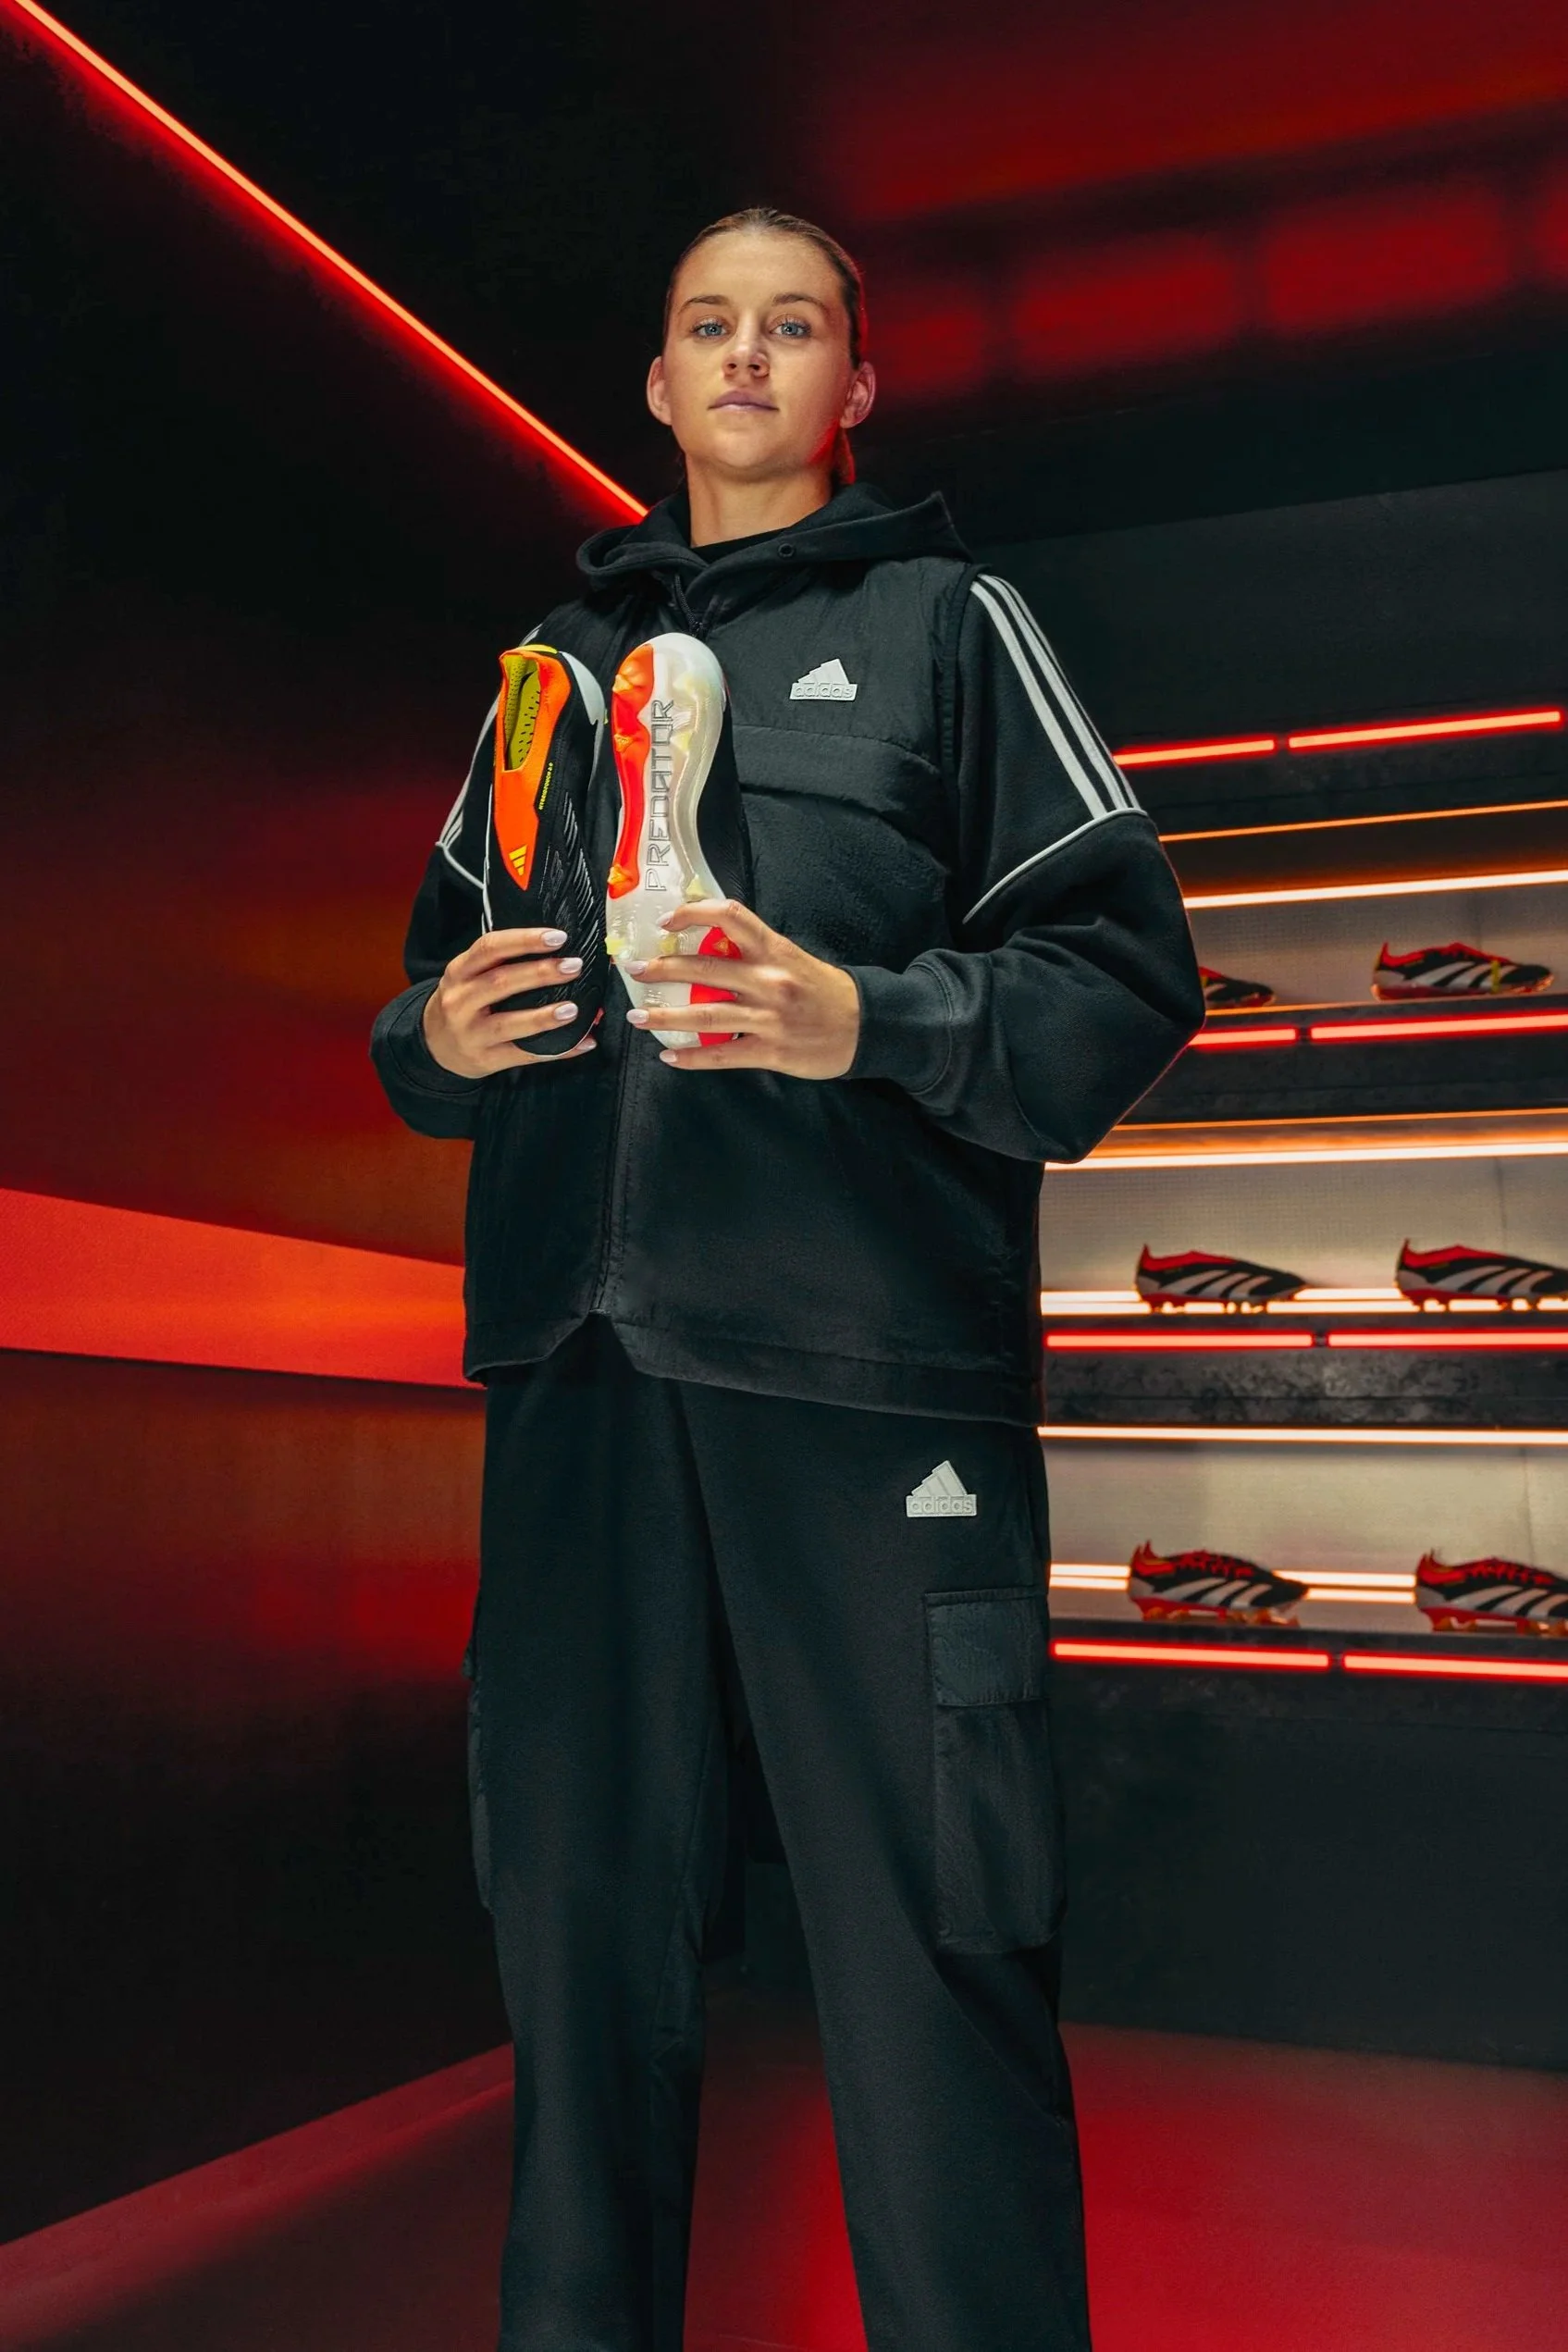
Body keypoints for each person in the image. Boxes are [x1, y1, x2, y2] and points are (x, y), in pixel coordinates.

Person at [372, 204, 1204, 2352]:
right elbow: (425, 996)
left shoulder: (952, 624)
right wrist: (429, 1041)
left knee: (933, 1961)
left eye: (794, 323)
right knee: (576, 1960)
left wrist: (876, 1022)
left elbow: (1119, 969)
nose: (747, 354)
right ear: (654, 386)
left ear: (853, 385)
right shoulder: (541, 683)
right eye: (706, 324)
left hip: (865, 1394)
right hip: (579, 1375)